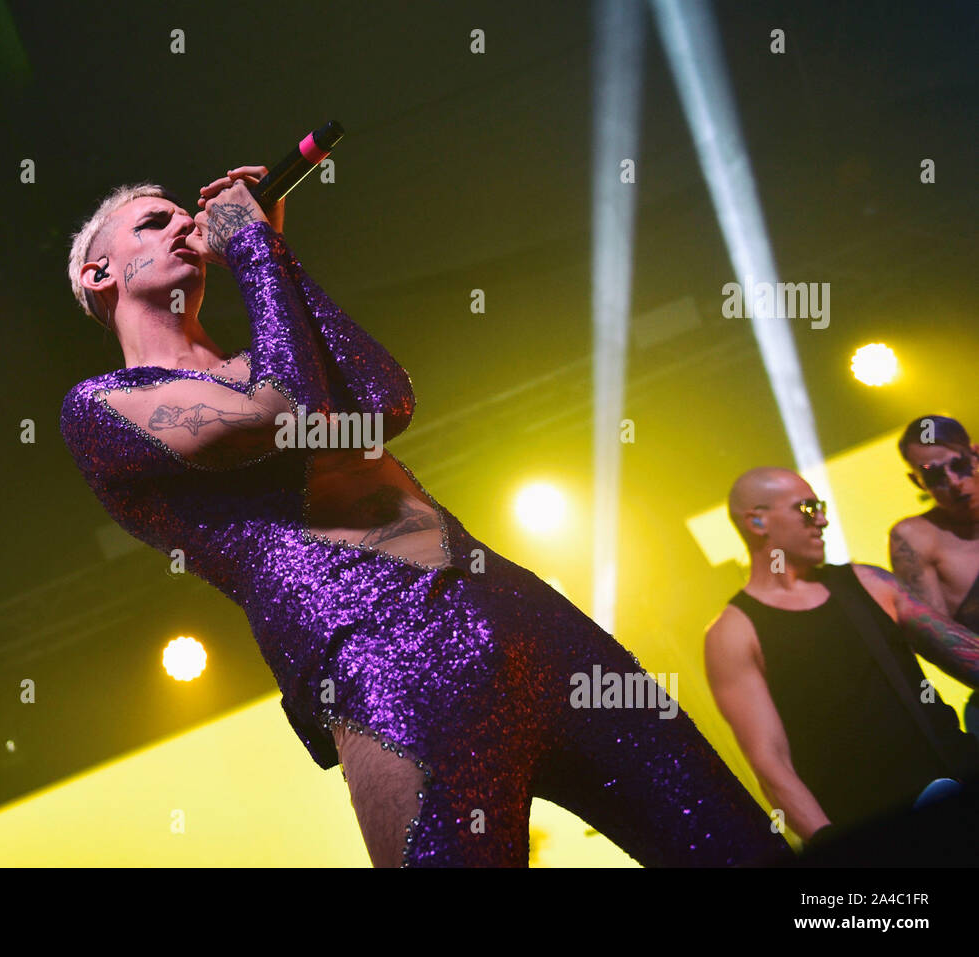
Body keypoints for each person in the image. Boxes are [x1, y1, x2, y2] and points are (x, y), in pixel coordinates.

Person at [59, 167, 790, 866]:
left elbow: (384, 399)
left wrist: (274, 250)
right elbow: (284, 415)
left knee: (732, 842)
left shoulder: (270, 354)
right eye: (157, 222)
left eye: (189, 216)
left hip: (509, 605)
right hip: (378, 648)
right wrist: (252, 251)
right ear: (101, 274)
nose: (187, 225)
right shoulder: (104, 407)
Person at [704, 466, 979, 847]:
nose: (823, 519)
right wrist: (833, 845)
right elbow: (771, 763)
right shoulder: (733, 633)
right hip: (880, 830)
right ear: (757, 521)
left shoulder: (868, 583)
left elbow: (968, 655)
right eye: (807, 508)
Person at [889, 415, 979, 736]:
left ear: (976, 455)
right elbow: (935, 639)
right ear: (917, 482)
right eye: (935, 475)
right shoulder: (915, 537)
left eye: (959, 465)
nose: (954, 482)